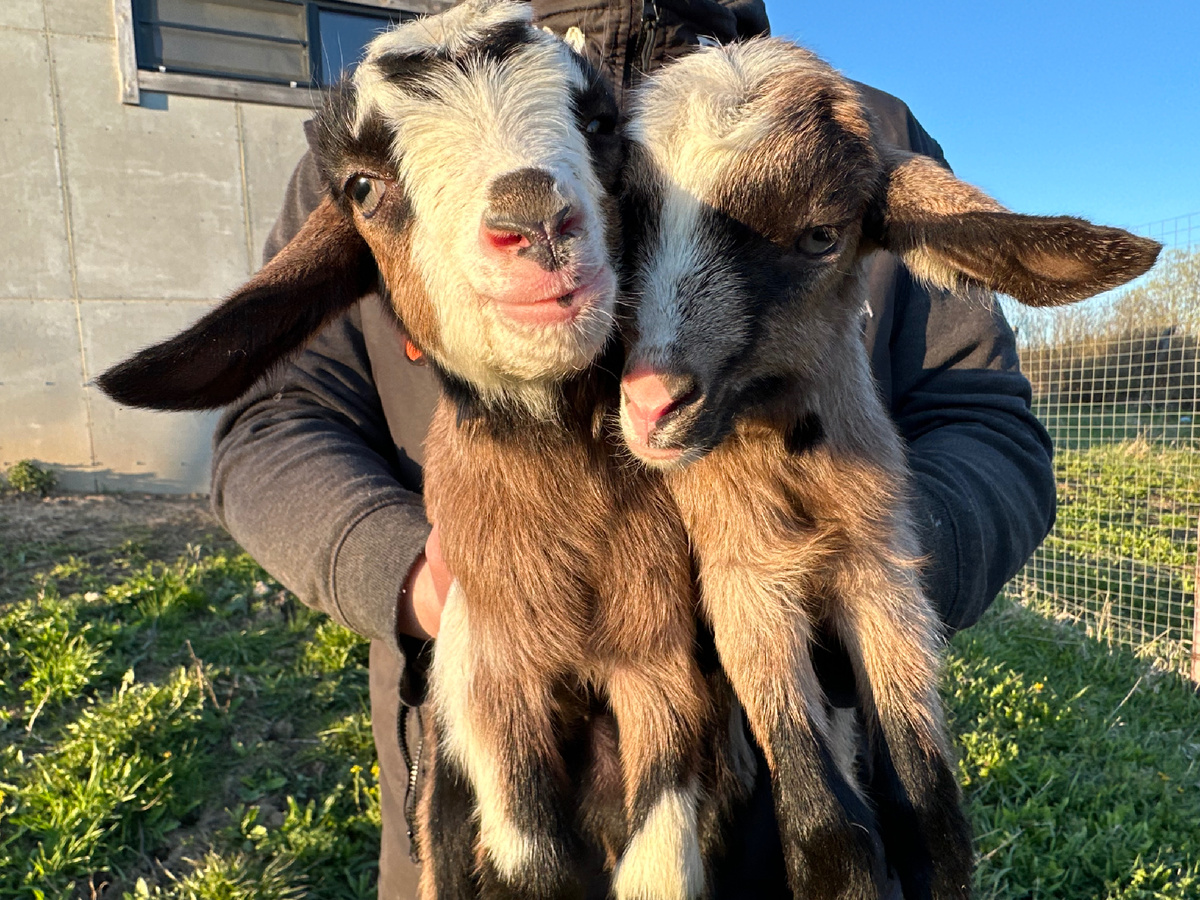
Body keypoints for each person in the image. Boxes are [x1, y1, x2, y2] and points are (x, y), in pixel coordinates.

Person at [210, 0, 1057, 895]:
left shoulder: (846, 129)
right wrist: (421, 578)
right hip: (503, 764)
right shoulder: (382, 127)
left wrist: (870, 572)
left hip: (810, 803)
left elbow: (984, 418)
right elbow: (273, 421)